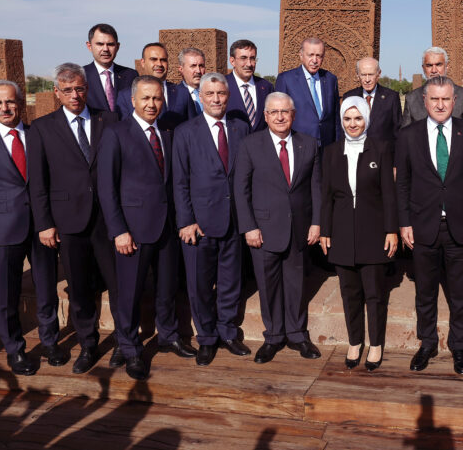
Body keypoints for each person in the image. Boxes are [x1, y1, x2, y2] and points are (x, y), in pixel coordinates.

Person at [29, 63, 124, 374]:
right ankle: (88, 344)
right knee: (80, 288)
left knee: (118, 284)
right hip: (68, 221)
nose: (74, 95)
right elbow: (38, 182)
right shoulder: (42, 128)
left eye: (79, 89)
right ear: (56, 93)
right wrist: (44, 223)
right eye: (67, 90)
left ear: (87, 89)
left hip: (108, 219)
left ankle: (124, 342)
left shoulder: (109, 119)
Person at [0, 81, 62, 376]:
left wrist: (52, 222)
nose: (5, 108)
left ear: (20, 103)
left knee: (47, 289)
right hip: (3, 230)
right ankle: (15, 349)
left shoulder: (39, 136)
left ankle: (50, 342)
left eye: (10, 102)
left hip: (42, 227)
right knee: (7, 294)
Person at [99, 76, 193, 380]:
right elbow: (106, 188)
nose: (152, 104)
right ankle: (130, 348)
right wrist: (119, 230)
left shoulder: (167, 132)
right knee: (129, 293)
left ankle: (168, 336)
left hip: (166, 227)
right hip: (133, 231)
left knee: (167, 288)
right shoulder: (116, 133)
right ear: (133, 101)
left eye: (157, 98)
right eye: (146, 98)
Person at [396, 76, 463, 375]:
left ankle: (458, 345)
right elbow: (402, 183)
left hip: (460, 224)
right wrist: (404, 222)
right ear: (424, 101)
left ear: (455, 101)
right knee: (425, 291)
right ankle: (427, 343)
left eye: (446, 99)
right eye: (435, 99)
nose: (441, 105)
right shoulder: (408, 135)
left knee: (460, 292)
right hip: (423, 225)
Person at [233, 92, 323, 363]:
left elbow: (316, 187)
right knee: (268, 285)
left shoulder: (309, 144)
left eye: (285, 111)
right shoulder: (250, 145)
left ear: (293, 115)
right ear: (265, 116)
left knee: (296, 284)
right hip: (263, 230)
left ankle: (297, 334)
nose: (280, 117)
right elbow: (241, 189)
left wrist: (316, 222)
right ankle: (273, 336)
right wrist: (249, 226)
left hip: (299, 227)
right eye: (274, 112)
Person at [172, 73, 253, 365]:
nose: (216, 99)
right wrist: (186, 221)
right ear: (201, 97)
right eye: (210, 94)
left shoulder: (241, 128)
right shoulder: (185, 132)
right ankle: (206, 337)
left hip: (234, 220)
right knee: (200, 285)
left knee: (231, 281)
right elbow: (180, 181)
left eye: (221, 93)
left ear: (228, 96)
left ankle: (228, 332)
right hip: (199, 224)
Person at [319, 97, 398, 371]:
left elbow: (389, 193)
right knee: (349, 292)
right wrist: (325, 229)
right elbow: (326, 196)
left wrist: (391, 229)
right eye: (347, 119)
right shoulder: (331, 152)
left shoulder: (381, 149)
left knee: (374, 293)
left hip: (374, 231)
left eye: (358, 118)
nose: (353, 124)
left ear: (367, 119)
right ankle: (355, 342)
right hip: (341, 232)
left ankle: (375, 344)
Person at [275, 37, 341, 147]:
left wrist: (337, 145)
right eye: (310, 55)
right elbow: (278, 116)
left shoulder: (330, 79)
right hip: (297, 145)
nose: (314, 60)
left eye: (319, 56)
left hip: (327, 146)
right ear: (301, 55)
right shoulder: (286, 79)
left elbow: (336, 117)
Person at [118, 43, 194, 130]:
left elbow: (193, 127)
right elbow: (124, 130)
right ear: (143, 62)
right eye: (153, 59)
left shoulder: (183, 93)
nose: (159, 64)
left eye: (163, 60)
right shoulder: (125, 95)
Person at [401, 47, 463, 127]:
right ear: (423, 68)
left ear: (447, 66)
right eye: (429, 65)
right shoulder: (412, 98)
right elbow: (405, 132)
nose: (434, 70)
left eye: (438, 65)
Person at [342, 57, 401, 146]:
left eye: (371, 74)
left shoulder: (391, 97)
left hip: (383, 152)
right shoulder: (349, 97)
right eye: (363, 75)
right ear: (357, 75)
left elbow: (398, 131)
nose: (367, 80)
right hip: (356, 151)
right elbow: (343, 130)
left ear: (378, 74)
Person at [83, 23, 137, 118]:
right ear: (89, 46)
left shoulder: (131, 75)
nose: (105, 49)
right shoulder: (80, 76)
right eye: (100, 44)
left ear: (117, 46)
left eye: (110, 44)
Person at [226, 39, 274, 132]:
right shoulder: (222, 85)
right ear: (232, 61)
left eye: (252, 58)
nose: (249, 64)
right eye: (243, 58)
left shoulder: (266, 87)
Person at [176, 47, 207, 118]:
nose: (198, 71)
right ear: (181, 69)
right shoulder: (175, 96)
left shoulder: (212, 93)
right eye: (193, 66)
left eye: (201, 66)